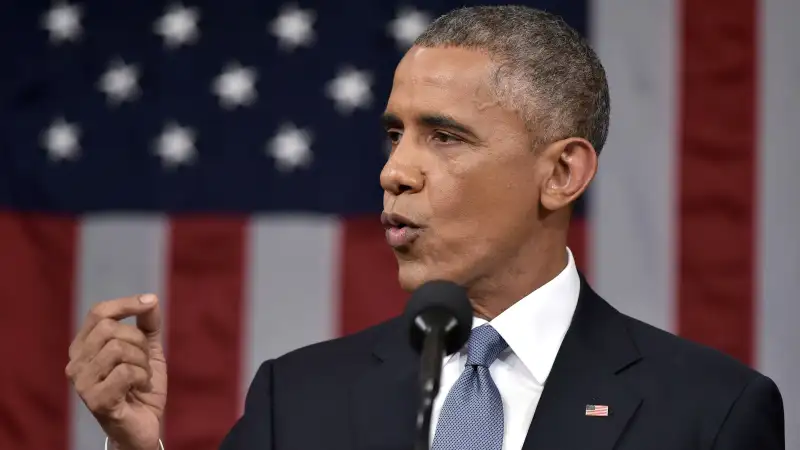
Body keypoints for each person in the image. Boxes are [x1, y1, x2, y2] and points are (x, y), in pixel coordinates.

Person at [65, 5, 785, 450]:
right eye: (393, 134)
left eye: (443, 137)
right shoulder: (300, 398)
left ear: (562, 172)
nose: (395, 171)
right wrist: (137, 448)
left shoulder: (708, 413)